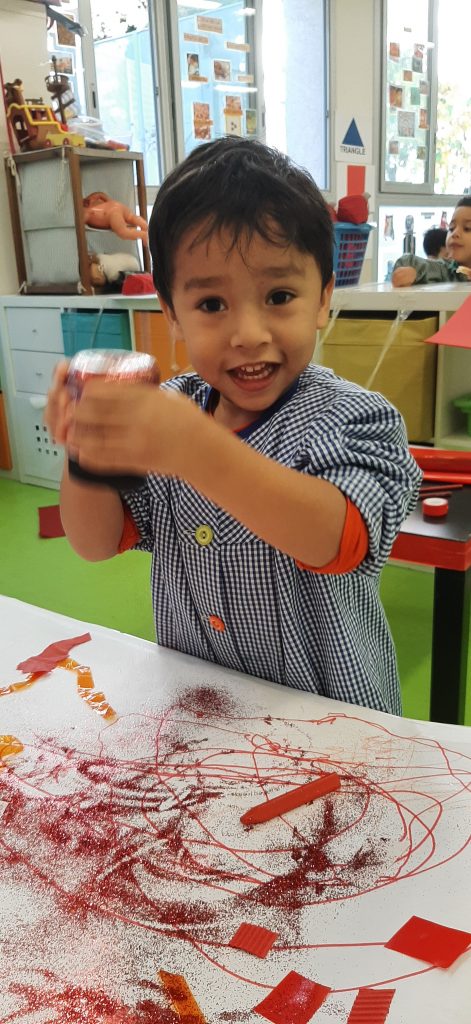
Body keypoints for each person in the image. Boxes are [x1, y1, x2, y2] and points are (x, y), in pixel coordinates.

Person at [46, 137, 421, 716]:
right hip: (205, 718)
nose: (248, 334)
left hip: (332, 725)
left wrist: (196, 450)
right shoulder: (169, 412)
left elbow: (336, 542)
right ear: (172, 313)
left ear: (323, 299)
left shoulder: (354, 417)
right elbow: (94, 544)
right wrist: (85, 453)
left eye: (279, 296)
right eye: (212, 305)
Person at [392, 196, 471, 286]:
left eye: (467, 228)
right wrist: (412, 272)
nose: (455, 233)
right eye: (451, 228)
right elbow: (408, 262)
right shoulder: (445, 270)